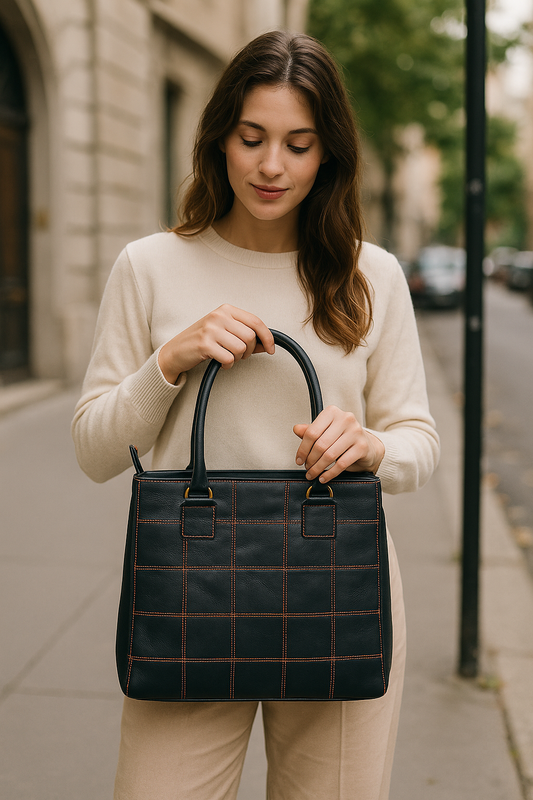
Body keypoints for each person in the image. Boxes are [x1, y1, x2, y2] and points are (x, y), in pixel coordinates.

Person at [72, 29, 439, 800]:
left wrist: (369, 444)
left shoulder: (371, 275)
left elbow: (418, 442)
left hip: (337, 584)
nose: (272, 166)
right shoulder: (150, 264)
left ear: (327, 155)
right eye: (252, 138)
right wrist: (168, 363)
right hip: (190, 586)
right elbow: (94, 450)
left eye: (298, 144)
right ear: (219, 141)